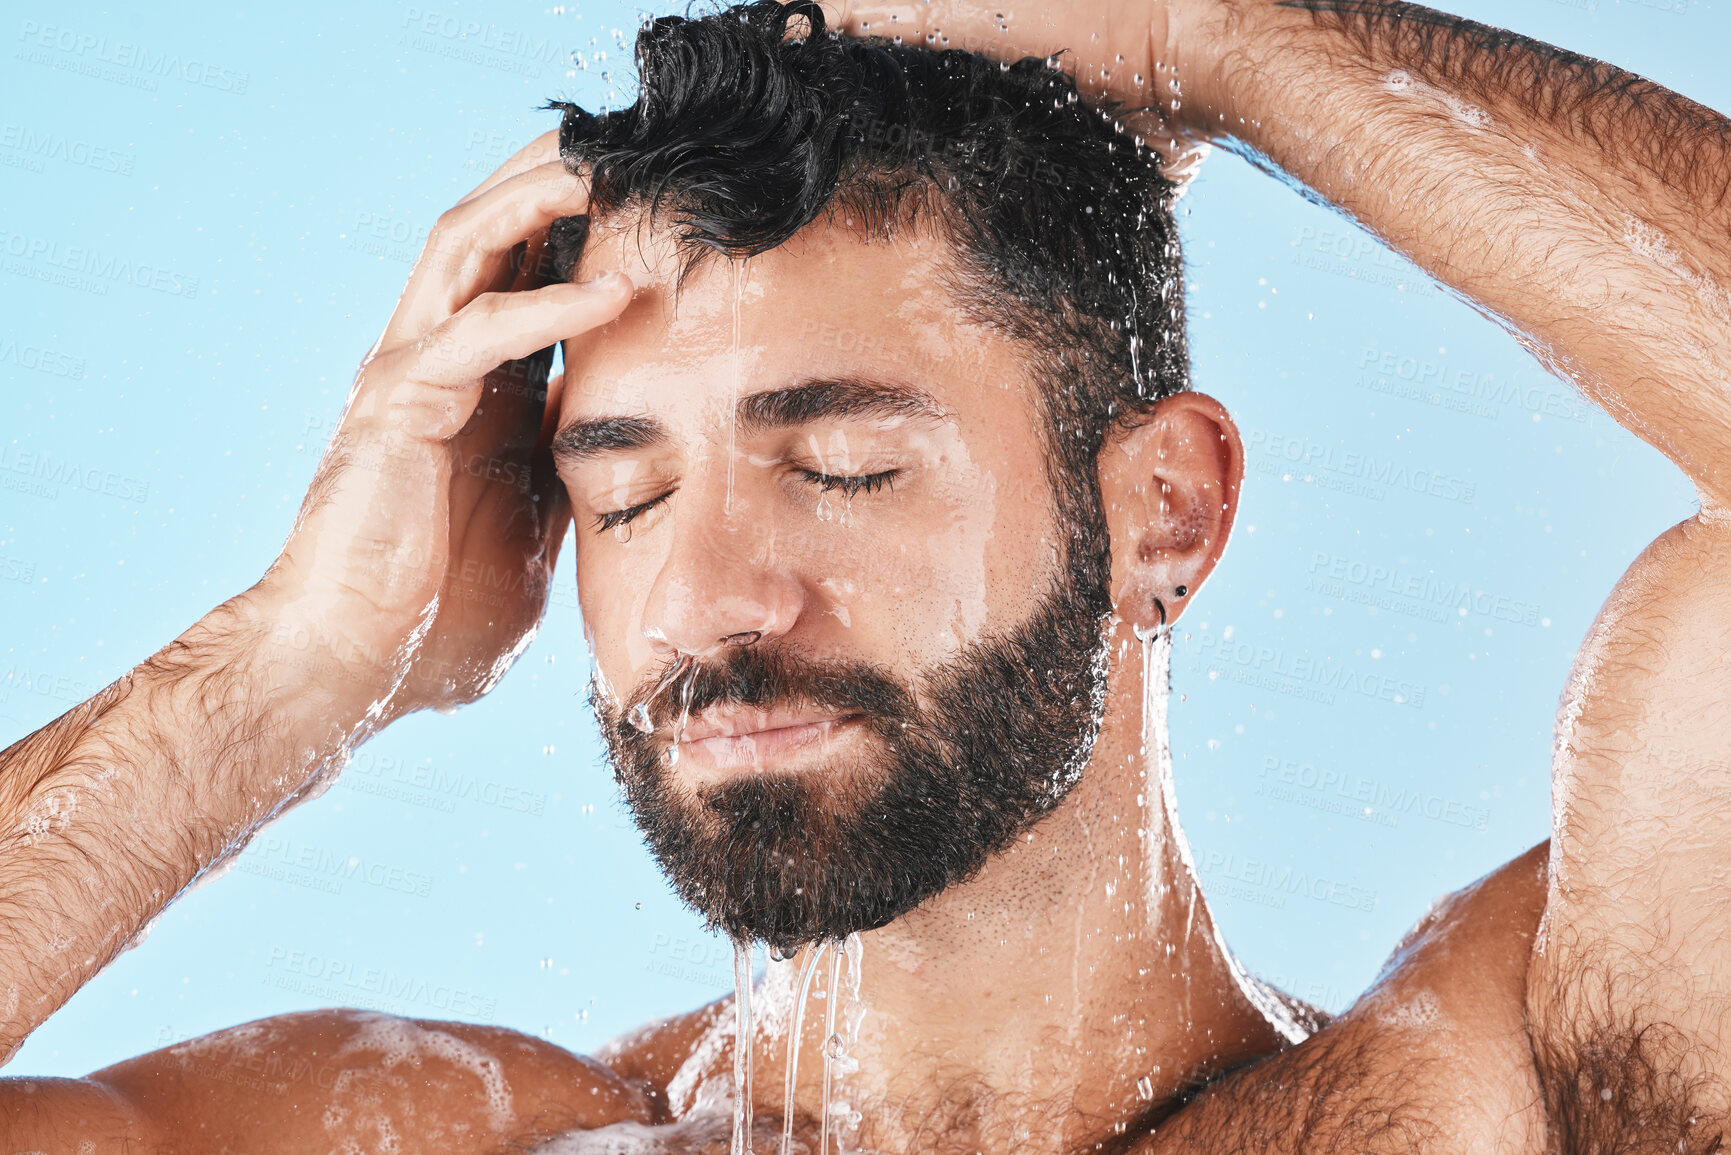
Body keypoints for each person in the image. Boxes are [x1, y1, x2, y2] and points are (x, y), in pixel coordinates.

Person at [2, 0, 1728, 1149]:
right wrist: (289, 666)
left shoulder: (1486, 1096)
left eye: (838, 465)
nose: (707, 603)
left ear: (1167, 513)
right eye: (623, 497)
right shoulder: (458, 1134)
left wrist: (1209, 40)